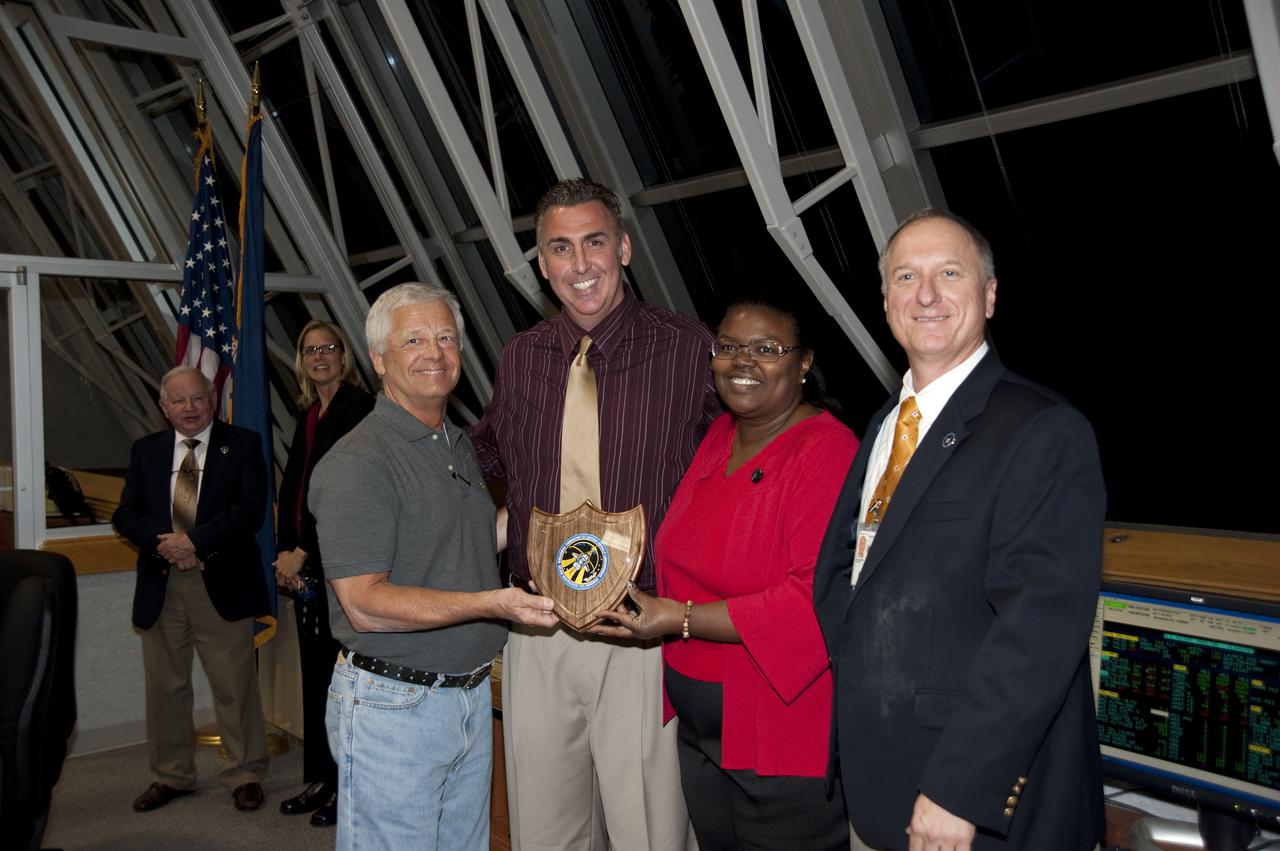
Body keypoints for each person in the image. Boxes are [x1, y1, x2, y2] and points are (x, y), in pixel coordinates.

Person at [813, 209, 1106, 850]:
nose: (926, 295)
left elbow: (1039, 632)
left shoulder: (1041, 430)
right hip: (879, 780)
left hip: (969, 804)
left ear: (990, 294)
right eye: (905, 277)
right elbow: (856, 578)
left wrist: (959, 789)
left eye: (949, 273)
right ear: (886, 299)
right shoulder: (887, 424)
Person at [468, 177, 721, 850]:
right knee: (543, 827)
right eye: (561, 248)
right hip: (538, 628)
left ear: (625, 248)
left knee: (650, 827)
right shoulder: (522, 357)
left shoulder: (689, 349)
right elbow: (487, 459)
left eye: (595, 243)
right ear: (542, 263)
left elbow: (738, 473)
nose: (581, 266)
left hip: (638, 625)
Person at [594, 301, 858, 850]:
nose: (744, 361)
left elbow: (812, 599)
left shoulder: (828, 451)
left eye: (767, 349)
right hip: (701, 734)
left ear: (804, 362)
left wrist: (679, 618)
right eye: (730, 346)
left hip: (777, 735)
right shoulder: (720, 435)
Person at [309, 282, 558, 851]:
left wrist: (542, 512)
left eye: (446, 338)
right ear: (378, 359)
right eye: (414, 339)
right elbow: (365, 604)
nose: (435, 353)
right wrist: (491, 604)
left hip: (466, 698)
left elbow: (466, 539)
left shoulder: (454, 442)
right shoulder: (358, 463)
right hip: (392, 708)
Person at [113, 365, 270, 813]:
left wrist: (194, 542)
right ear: (164, 408)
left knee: (234, 685)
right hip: (162, 585)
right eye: (178, 401)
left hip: (218, 581)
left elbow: (249, 511)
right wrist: (166, 544)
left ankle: (245, 773)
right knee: (165, 686)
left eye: (197, 398)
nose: (189, 408)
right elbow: (126, 514)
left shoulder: (242, 444)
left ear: (213, 400)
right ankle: (172, 775)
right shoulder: (146, 451)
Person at [274, 320, 374, 827]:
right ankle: (321, 777)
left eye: (329, 348)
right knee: (315, 679)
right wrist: (283, 554)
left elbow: (345, 497)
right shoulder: (309, 413)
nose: (320, 357)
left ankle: (345, 785)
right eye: (310, 350)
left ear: (344, 357)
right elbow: (293, 489)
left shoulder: (360, 409)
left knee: (341, 682)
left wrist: (305, 554)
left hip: (339, 566)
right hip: (305, 569)